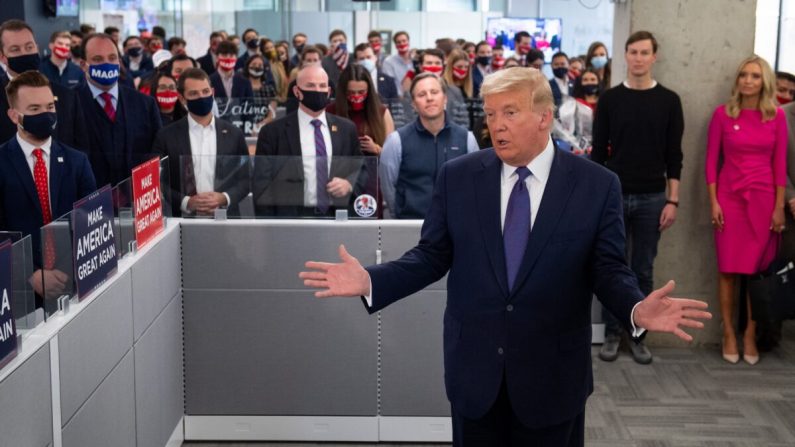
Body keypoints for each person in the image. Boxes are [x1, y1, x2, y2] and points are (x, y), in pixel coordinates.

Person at [299, 66, 710, 447]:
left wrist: (636, 309)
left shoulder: (596, 185)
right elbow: (430, 256)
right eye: (492, 114)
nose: (496, 125)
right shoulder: (459, 177)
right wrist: (372, 281)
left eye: (510, 113)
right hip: (476, 376)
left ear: (544, 117)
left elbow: (607, 269)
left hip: (552, 379)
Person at [592, 31, 684, 365]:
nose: (638, 58)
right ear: (626, 56)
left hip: (652, 197)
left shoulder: (669, 101)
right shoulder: (611, 100)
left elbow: (674, 155)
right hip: (614, 195)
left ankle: (638, 334)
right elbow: (598, 153)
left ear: (654, 56)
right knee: (610, 267)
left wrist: (672, 201)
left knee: (643, 269)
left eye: (645, 52)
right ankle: (613, 333)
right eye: (633, 52)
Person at [705, 55, 787, 365]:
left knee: (756, 273)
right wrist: (713, 201)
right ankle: (728, 332)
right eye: (744, 75)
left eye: (754, 75)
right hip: (729, 200)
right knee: (727, 270)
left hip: (764, 201)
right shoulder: (722, 115)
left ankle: (750, 333)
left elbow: (779, 165)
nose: (748, 80)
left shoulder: (776, 116)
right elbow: (712, 162)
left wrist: (779, 208)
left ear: (764, 81)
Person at [0, 71, 96, 305]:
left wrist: (71, 269)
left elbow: (92, 220)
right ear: (14, 116)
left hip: (74, 282)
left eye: (49, 107)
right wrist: (31, 274)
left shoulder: (77, 161)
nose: (45, 114)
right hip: (17, 291)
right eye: (34, 109)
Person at [253, 64, 363, 217]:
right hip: (291, 220)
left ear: (329, 91)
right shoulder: (272, 132)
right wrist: (268, 226)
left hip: (337, 218)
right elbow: (261, 183)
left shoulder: (346, 129)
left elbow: (360, 167)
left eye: (322, 86)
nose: (317, 90)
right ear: (297, 92)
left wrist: (349, 183)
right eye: (310, 85)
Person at [153, 67, 249, 218]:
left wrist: (224, 198)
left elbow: (246, 178)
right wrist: (186, 202)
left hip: (227, 221)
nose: (201, 97)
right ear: (182, 98)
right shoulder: (166, 136)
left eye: (205, 92)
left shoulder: (234, 134)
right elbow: (157, 181)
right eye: (193, 93)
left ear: (213, 92)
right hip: (181, 224)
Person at [380, 72, 478, 219]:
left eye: (434, 92)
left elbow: (475, 184)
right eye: (421, 94)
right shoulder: (396, 141)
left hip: (456, 227)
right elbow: (388, 188)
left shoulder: (466, 139)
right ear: (413, 104)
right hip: (410, 225)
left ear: (445, 98)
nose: (429, 98)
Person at [75, 32, 162, 187]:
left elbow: (157, 153)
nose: (106, 63)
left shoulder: (145, 104)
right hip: (90, 202)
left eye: (112, 58)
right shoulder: (70, 105)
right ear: (83, 65)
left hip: (136, 199)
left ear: (119, 61)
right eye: (97, 59)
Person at [0, 20, 88, 152]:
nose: (24, 53)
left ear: (37, 48)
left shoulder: (67, 97)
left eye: (29, 47)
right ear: (2, 57)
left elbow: (81, 149)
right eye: (15, 49)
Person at [327, 64, 395, 217]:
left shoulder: (381, 112)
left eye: (361, 92)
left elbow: (393, 155)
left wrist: (376, 148)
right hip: (337, 179)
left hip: (370, 179)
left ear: (369, 91)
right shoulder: (330, 111)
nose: (356, 96)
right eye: (351, 92)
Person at [552, 68, 600, 156]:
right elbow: (562, 129)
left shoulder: (605, 102)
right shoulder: (571, 104)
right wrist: (578, 146)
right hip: (580, 151)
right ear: (580, 83)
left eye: (593, 79)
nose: (589, 82)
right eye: (585, 80)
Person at [382, 31, 413, 95]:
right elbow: (389, 84)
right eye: (398, 42)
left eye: (404, 41)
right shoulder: (389, 62)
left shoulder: (416, 60)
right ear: (395, 45)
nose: (402, 44)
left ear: (408, 42)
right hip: (397, 100)